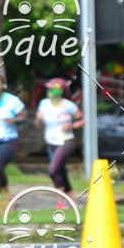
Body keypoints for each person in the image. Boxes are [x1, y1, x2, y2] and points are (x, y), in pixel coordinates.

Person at [35, 78, 85, 206]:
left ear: (60, 90)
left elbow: (82, 120)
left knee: (53, 170)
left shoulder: (68, 105)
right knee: (60, 171)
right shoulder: (44, 104)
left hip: (67, 141)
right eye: (49, 88)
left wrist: (71, 126)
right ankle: (72, 202)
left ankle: (60, 202)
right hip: (51, 143)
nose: (49, 91)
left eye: (52, 88)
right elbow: (38, 125)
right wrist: (39, 120)